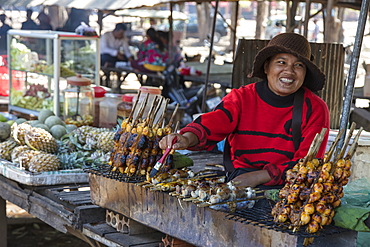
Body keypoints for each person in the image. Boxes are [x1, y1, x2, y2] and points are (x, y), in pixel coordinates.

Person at [159, 33, 330, 189]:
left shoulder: (315, 109)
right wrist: (186, 138)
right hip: (240, 179)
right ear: (266, 67)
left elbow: (309, 163)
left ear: (305, 73)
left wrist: (259, 177)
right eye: (281, 62)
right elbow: (213, 123)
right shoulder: (242, 98)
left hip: (289, 186)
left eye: (298, 65)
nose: (289, 71)